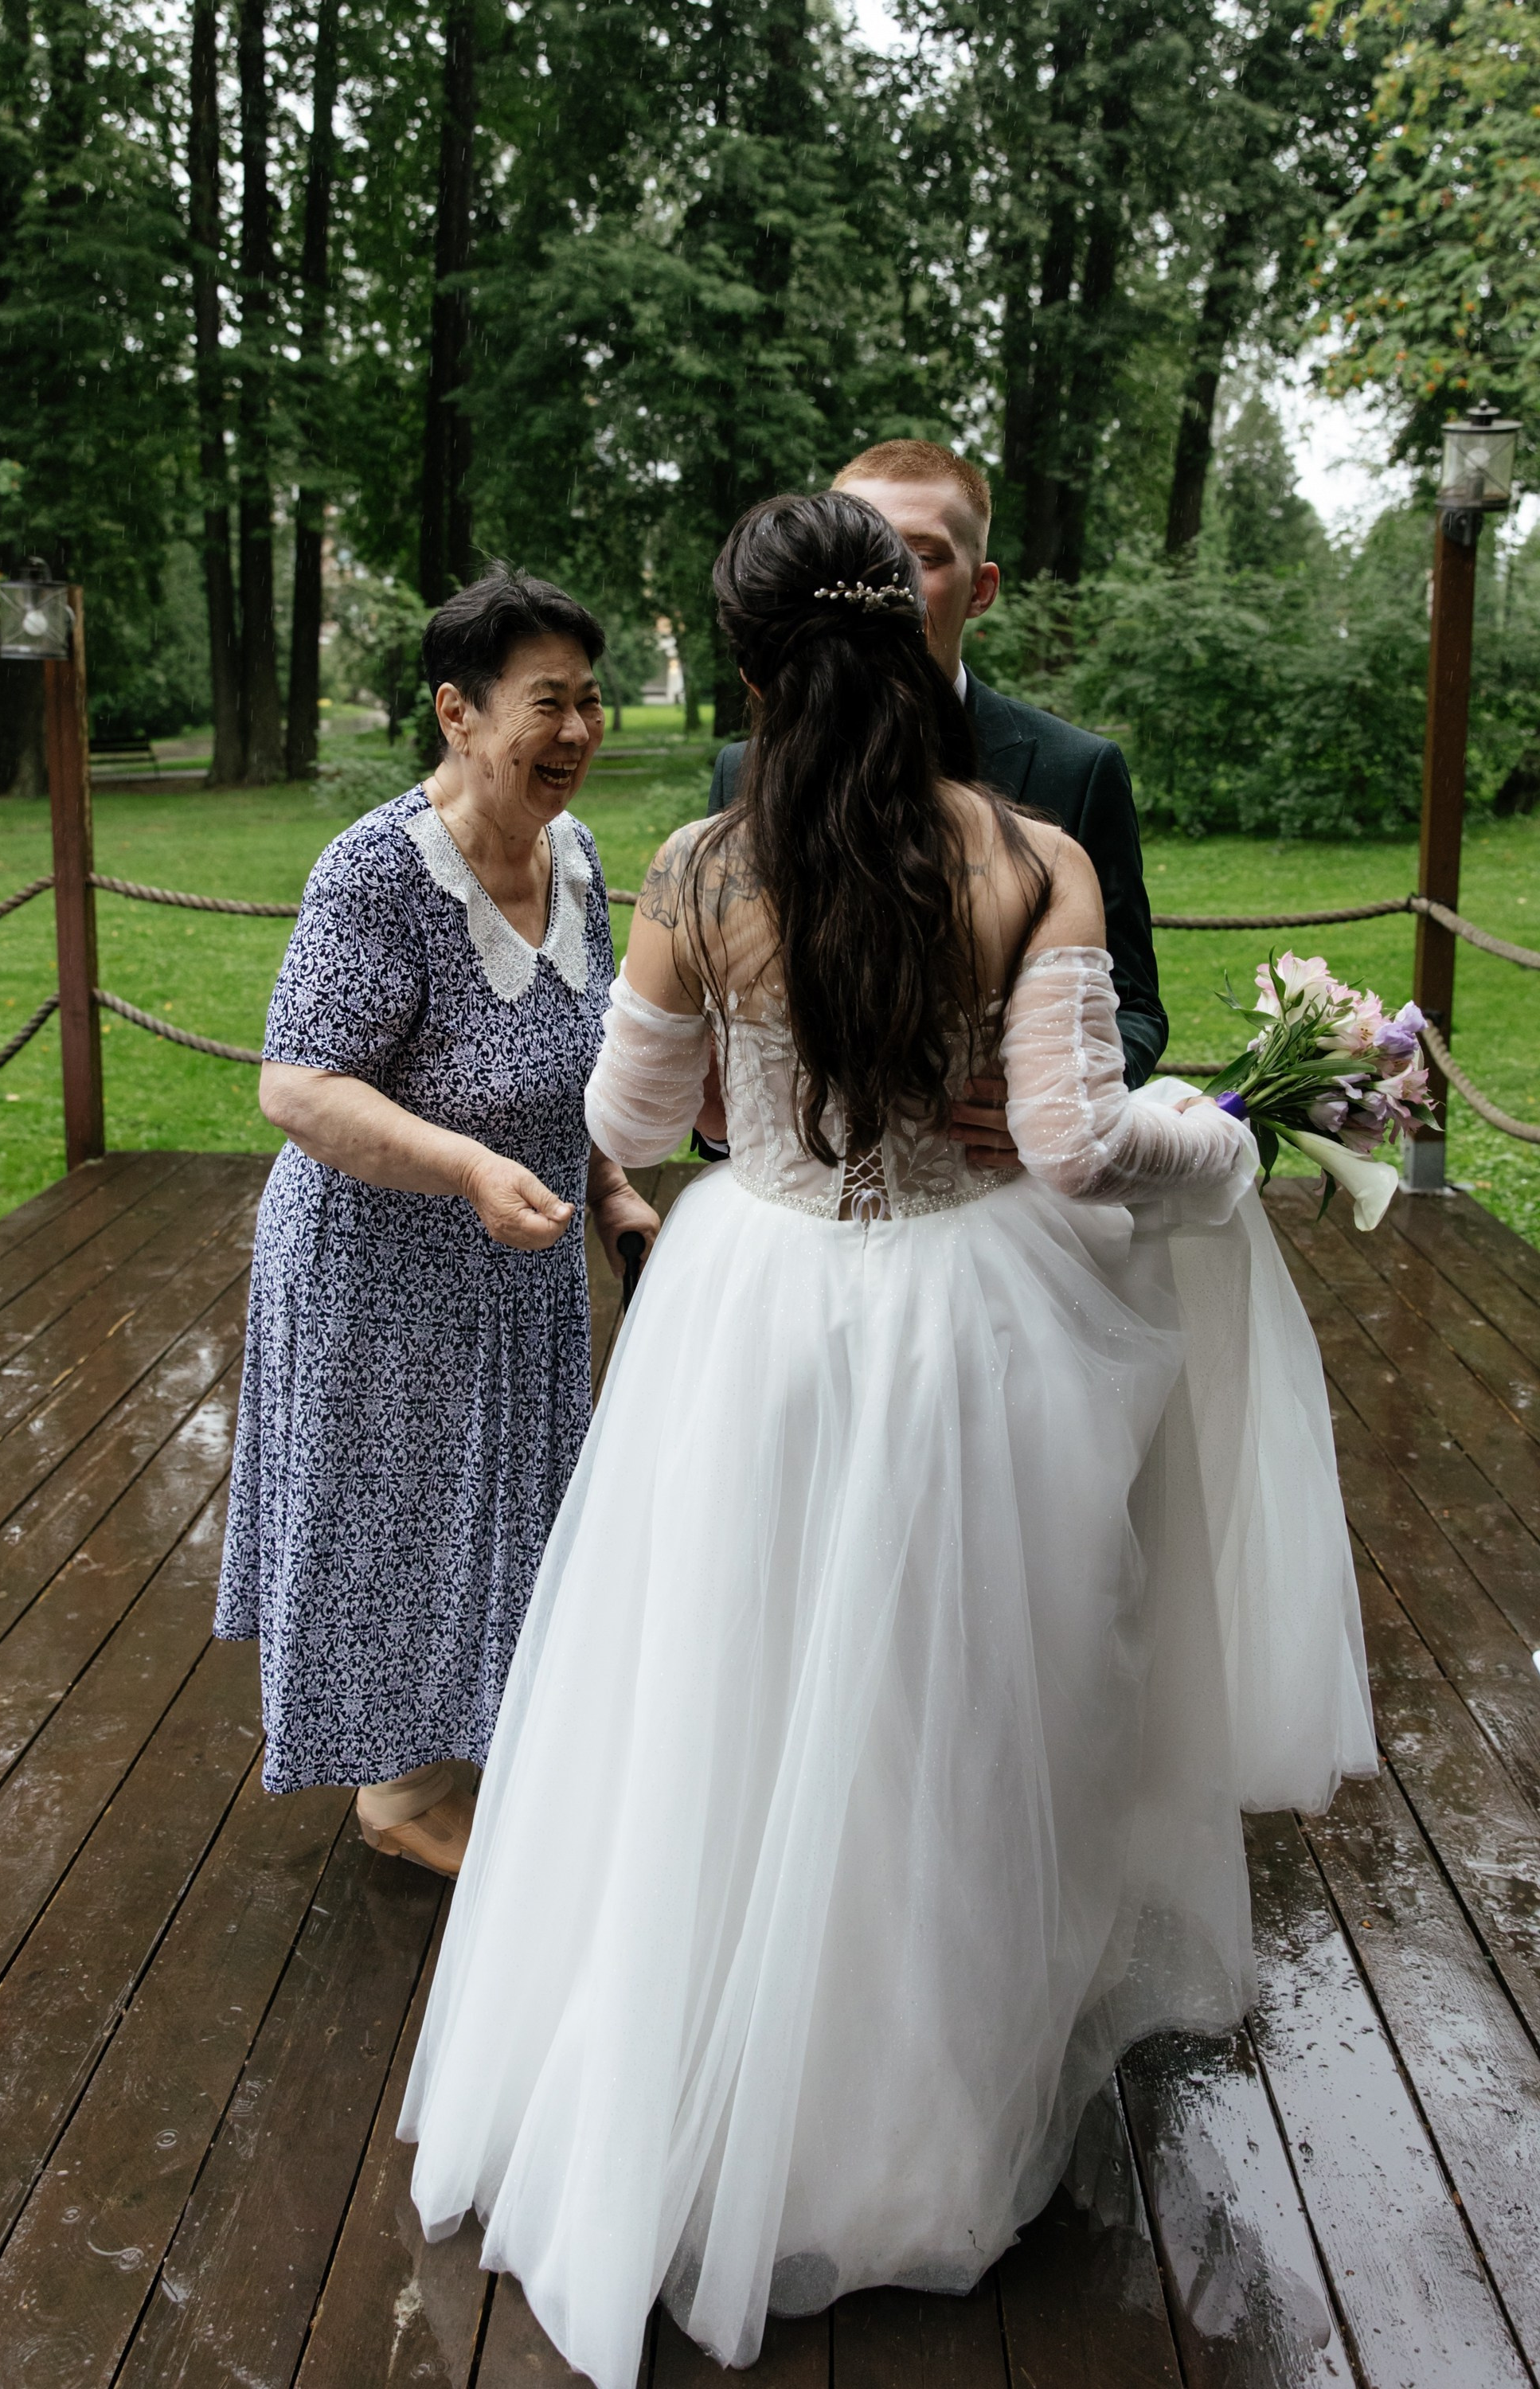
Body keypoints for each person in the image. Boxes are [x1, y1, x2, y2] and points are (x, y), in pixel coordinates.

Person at [401, 494, 1374, 2387]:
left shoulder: (697, 867)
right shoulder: (1026, 855)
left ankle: (698, 2085)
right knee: (958, 1715)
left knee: (727, 1695)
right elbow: (1081, 1146)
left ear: (752, 665)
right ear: (916, 641)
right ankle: (922, 2122)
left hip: (750, 1316)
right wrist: (1228, 1132)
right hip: (970, 1326)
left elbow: (631, 1109)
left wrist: (760, 1112)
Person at [214, 566, 660, 1879]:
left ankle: (485, 1734)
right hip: (380, 1267)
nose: (576, 732)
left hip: (515, 1264)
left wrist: (617, 1190)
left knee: (506, 1508)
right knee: (394, 1522)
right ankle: (396, 1795)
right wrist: (466, 1167)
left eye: (591, 702)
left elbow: (571, 1058)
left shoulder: (574, 854)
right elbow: (295, 1084)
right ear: (458, 713)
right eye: (546, 703)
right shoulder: (375, 871)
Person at [707, 439, 1166, 1094]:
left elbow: (1134, 1006)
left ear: (981, 590)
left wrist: (1054, 1098)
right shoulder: (743, 769)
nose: (890, 585)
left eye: (919, 558)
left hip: (1009, 1173)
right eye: (862, 558)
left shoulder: (1077, 769)